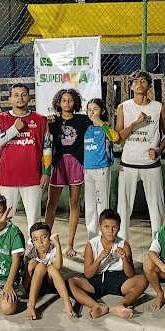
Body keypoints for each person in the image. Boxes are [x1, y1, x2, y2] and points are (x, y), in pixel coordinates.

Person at [115, 70, 165, 242]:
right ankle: (121, 245)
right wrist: (135, 122)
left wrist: (159, 151)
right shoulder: (124, 107)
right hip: (128, 163)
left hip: (151, 164)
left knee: (157, 208)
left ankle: (159, 246)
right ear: (131, 86)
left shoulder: (158, 107)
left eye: (143, 81)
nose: (139, 84)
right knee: (123, 208)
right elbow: (118, 138)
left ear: (149, 85)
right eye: (135, 81)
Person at [0, 83, 52, 233]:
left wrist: (46, 172)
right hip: (8, 178)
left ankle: (34, 250)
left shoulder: (40, 120)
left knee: (34, 219)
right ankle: (8, 251)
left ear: (29, 98)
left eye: (23, 94)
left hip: (33, 178)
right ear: (10, 99)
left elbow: (47, 148)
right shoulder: (0, 119)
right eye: (16, 95)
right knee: (5, 217)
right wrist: (13, 129)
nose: (20, 98)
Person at [68, 209, 149, 320]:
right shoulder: (91, 245)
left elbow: (130, 274)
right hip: (96, 278)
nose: (110, 231)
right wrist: (99, 259)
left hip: (117, 278)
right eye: (106, 227)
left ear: (119, 228)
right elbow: (88, 274)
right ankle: (97, 306)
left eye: (114, 227)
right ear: (99, 227)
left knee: (143, 279)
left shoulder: (124, 244)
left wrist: (125, 259)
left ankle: (120, 306)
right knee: (70, 282)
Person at [45, 89, 90, 257]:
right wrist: (47, 123)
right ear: (58, 102)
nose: (67, 103)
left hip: (75, 163)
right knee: (52, 204)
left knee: (74, 203)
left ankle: (70, 244)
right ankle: (46, 240)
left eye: (70, 100)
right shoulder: (53, 121)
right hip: (58, 163)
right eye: (63, 100)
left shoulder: (83, 120)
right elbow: (45, 139)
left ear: (75, 102)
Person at [82, 98, 119, 241]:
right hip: (88, 171)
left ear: (102, 111)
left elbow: (115, 137)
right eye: (89, 110)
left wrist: (101, 122)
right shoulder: (88, 129)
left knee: (102, 205)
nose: (92, 113)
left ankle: (105, 237)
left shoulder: (104, 127)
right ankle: (92, 238)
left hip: (101, 170)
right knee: (90, 207)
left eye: (95, 109)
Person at [24, 223, 77, 320]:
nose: (40, 242)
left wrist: (58, 245)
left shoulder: (53, 249)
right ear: (32, 241)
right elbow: (25, 284)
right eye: (35, 240)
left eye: (43, 237)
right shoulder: (31, 253)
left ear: (49, 237)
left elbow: (58, 266)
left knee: (51, 268)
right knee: (39, 266)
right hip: (34, 288)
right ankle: (31, 305)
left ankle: (67, 303)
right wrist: (30, 268)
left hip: (51, 284)